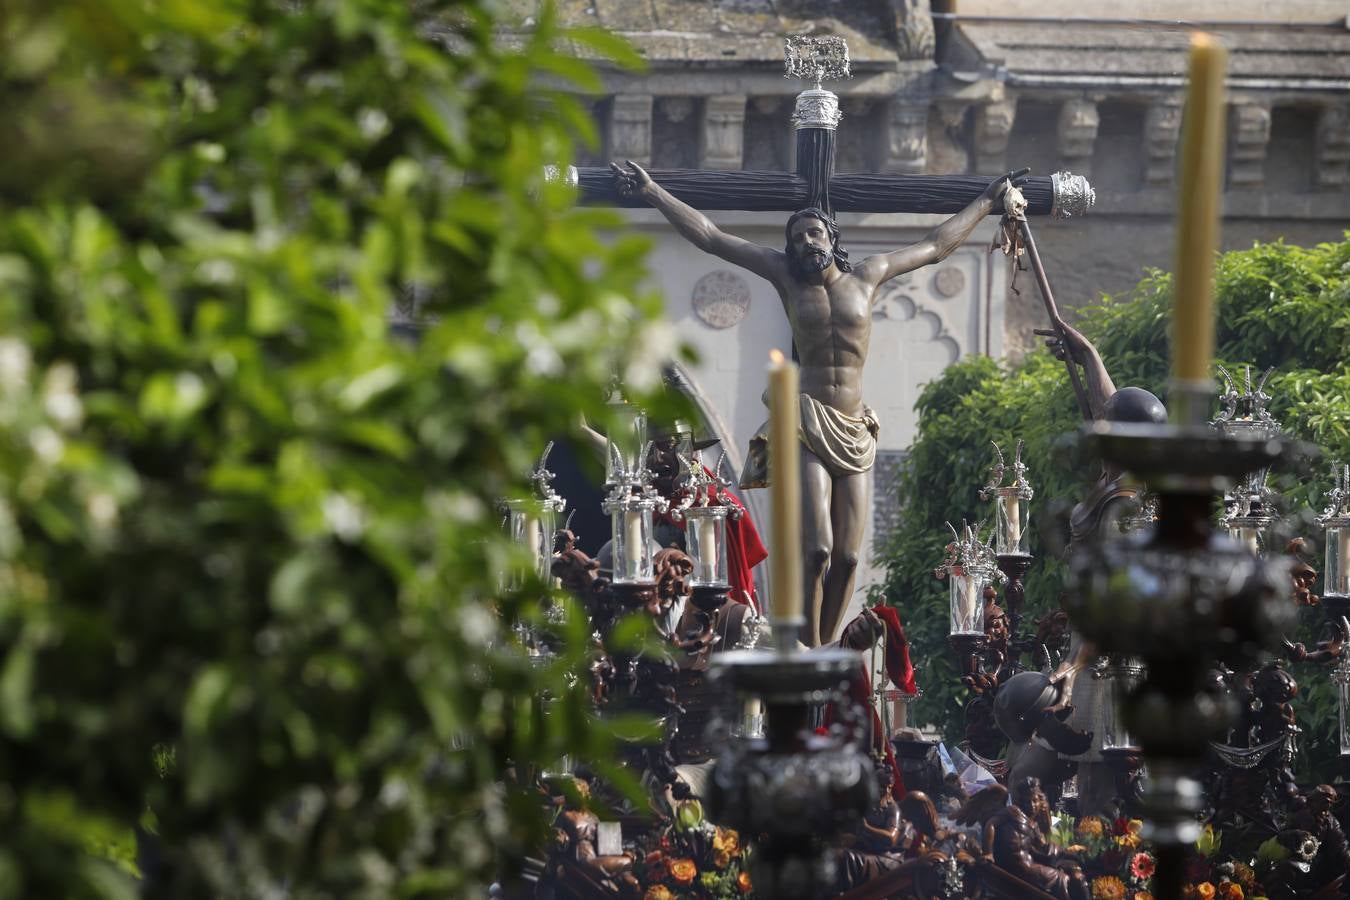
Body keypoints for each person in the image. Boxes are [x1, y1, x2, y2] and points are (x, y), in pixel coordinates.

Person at [613, 159, 1027, 645]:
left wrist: (984, 203)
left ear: (831, 239)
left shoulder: (868, 276)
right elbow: (710, 235)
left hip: (854, 427)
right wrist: (654, 192)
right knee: (818, 551)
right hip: (806, 422)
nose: (806, 243)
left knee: (849, 558)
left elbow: (935, 246)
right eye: (797, 238)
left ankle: (826, 649)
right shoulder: (785, 277)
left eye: (814, 234)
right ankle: (806, 650)